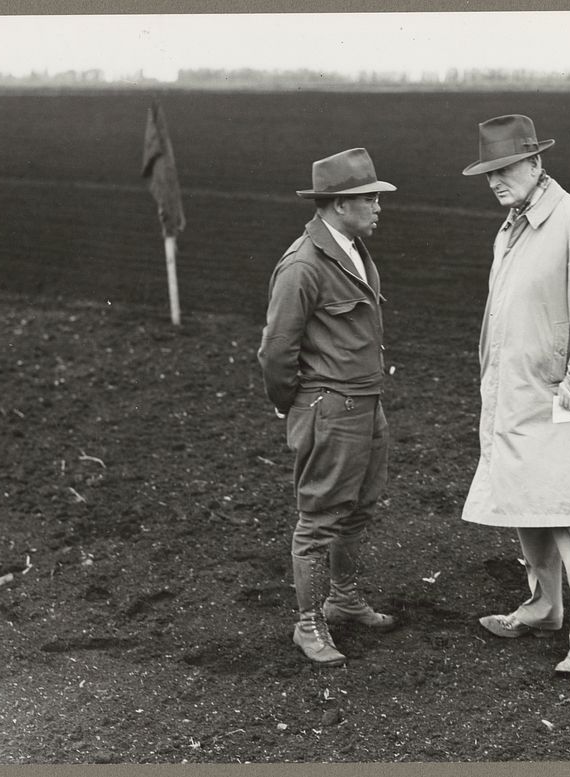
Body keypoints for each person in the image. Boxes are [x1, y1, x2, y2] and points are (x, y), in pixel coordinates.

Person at [460, 115, 570, 673]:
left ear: (536, 163)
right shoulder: (512, 226)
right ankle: (544, 606)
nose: (495, 180)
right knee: (526, 496)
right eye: (488, 172)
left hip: (563, 394)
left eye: (505, 168)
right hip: (518, 389)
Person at [258, 147, 398, 667]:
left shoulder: (353, 249)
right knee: (319, 517)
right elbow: (277, 350)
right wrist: (291, 406)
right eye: (369, 198)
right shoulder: (303, 264)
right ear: (339, 204)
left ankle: (343, 599)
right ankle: (308, 623)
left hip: (364, 403)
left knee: (359, 507)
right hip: (330, 407)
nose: (378, 206)